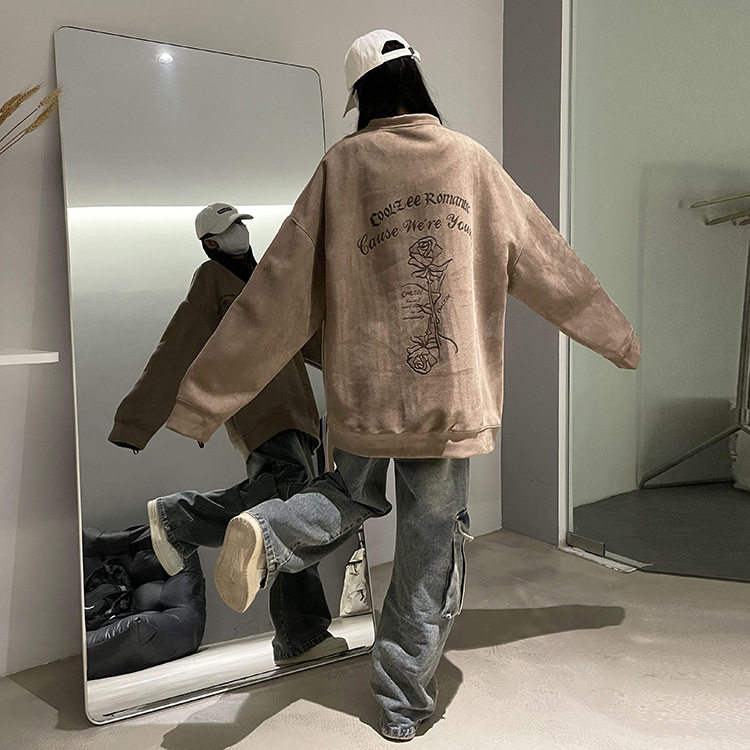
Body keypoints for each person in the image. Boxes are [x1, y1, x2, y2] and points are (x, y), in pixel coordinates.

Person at [164, 30, 642, 741]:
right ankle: (400, 704)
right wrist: (619, 340)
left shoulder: (342, 166)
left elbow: (277, 293)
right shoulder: (471, 162)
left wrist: (202, 400)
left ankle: (268, 530)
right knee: (428, 547)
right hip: (449, 398)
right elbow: (550, 264)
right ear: (416, 80)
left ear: (360, 96)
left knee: (348, 495)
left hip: (366, 395)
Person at [108, 203, 348, 667]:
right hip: (261, 411)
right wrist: (135, 422)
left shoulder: (263, 281)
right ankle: (181, 518)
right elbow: (177, 345)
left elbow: (308, 337)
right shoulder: (212, 280)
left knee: (288, 520)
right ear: (211, 242)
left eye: (241, 223)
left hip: (298, 412)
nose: (240, 231)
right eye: (229, 226)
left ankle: (299, 636)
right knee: (286, 509)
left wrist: (360, 366)